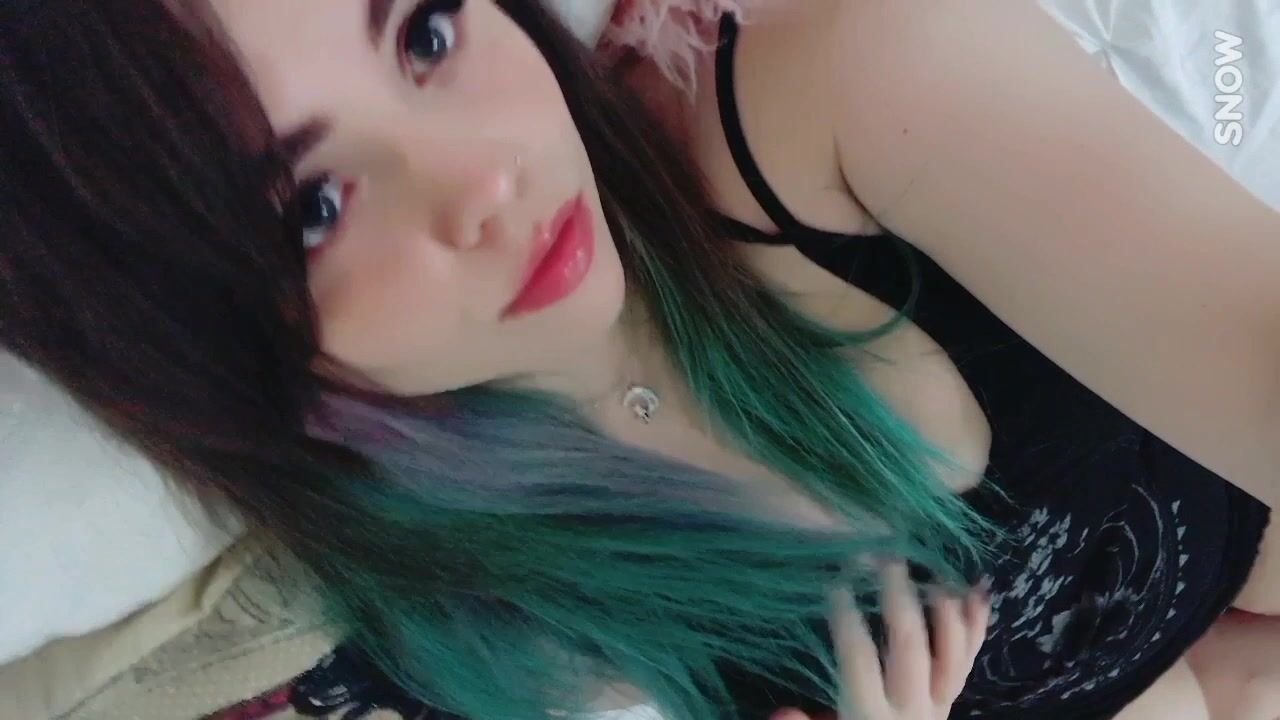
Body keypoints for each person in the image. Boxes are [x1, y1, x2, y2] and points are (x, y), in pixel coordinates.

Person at [0, 1, 1276, 719]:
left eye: (427, 34)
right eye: (313, 209)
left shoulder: (840, 93)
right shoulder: (455, 654)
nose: (482, 179)